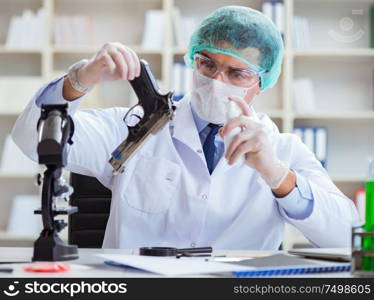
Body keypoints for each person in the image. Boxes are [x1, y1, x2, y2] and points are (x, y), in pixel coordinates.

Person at [12, 6, 358, 249]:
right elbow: (30, 139)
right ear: (193, 60)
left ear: (262, 82)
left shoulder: (283, 151)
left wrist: (278, 177)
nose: (217, 81)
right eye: (207, 64)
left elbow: (347, 236)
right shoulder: (133, 125)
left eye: (236, 73)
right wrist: (80, 79)